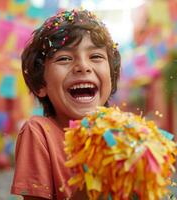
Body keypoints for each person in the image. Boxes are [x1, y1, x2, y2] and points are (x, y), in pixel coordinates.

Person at [11, 8, 121, 200]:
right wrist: (90, 186)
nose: (83, 67)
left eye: (95, 56)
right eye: (64, 58)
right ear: (41, 85)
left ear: (110, 79)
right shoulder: (39, 132)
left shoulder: (122, 134)